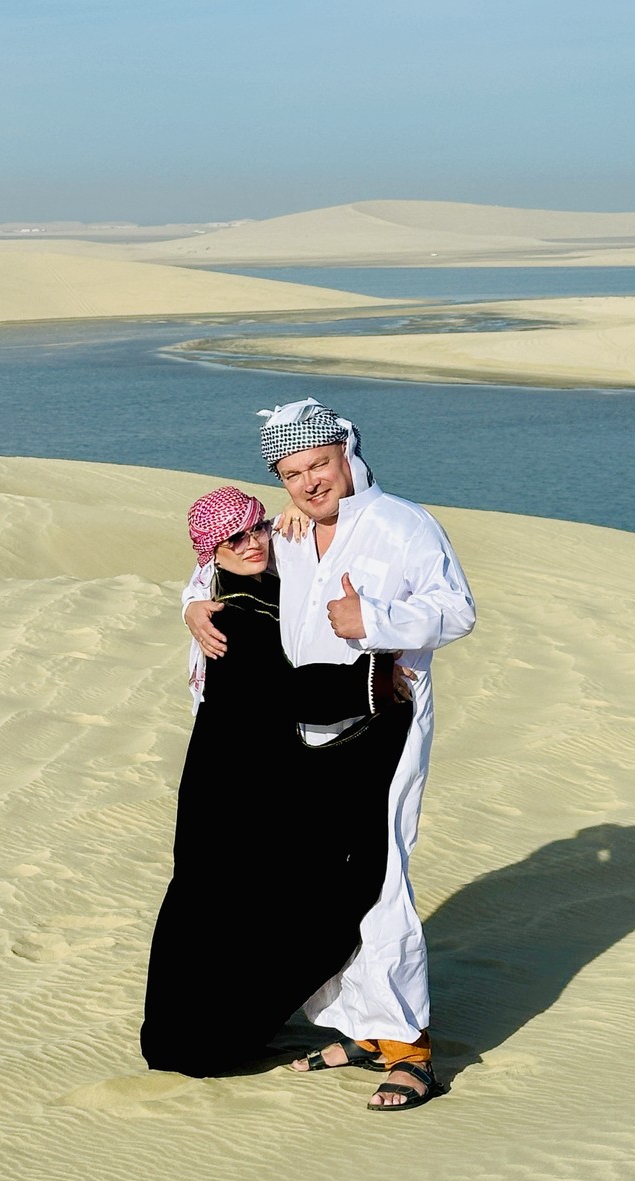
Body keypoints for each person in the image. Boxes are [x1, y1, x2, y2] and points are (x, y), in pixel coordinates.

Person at [185, 400, 476, 1109]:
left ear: (346, 452)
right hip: (300, 737)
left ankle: (410, 1049)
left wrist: (373, 619)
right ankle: (361, 1027)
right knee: (316, 884)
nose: (310, 482)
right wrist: (191, 605)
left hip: (383, 727)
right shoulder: (287, 532)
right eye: (293, 474)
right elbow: (224, 568)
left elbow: (457, 609)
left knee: (380, 880)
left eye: (319, 464)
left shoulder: (403, 525)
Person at [140, 486, 410, 1078]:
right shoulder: (231, 615)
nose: (253, 543)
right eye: (234, 539)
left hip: (248, 773)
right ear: (212, 552)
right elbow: (283, 691)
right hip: (230, 787)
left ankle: (210, 1032)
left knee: (239, 902)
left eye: (258, 527)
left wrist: (298, 514)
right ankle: (195, 1041)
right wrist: (376, 681)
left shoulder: (250, 588)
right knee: (220, 903)